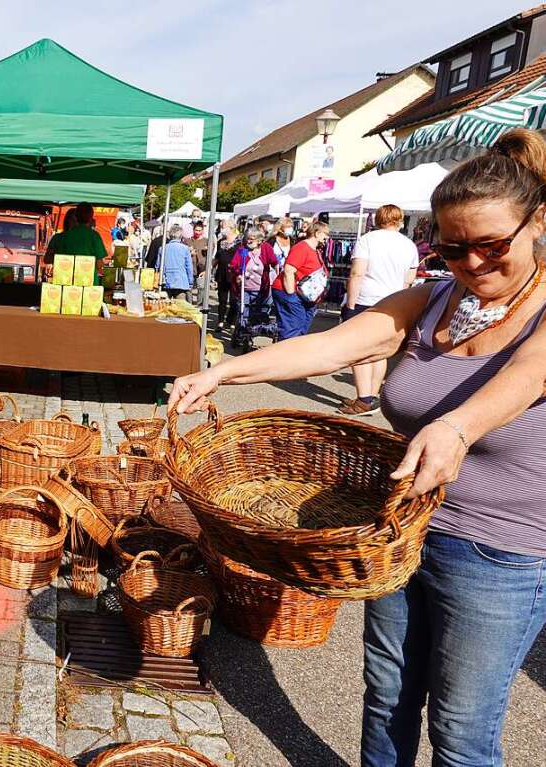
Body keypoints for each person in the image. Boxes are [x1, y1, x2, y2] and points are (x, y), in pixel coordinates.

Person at [169, 127, 546, 767]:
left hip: (501, 553)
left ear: (537, 223)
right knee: (388, 696)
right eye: (453, 249)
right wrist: (221, 373)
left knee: (461, 733)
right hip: (395, 528)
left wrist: (456, 428)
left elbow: (527, 376)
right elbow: (333, 345)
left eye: (491, 246)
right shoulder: (433, 299)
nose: (472, 264)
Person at [338, 204, 419, 416]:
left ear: (378, 219)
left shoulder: (367, 240)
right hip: (394, 300)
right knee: (379, 350)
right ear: (399, 220)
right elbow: (409, 280)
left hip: (367, 299)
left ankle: (364, 398)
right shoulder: (409, 244)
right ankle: (371, 396)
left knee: (359, 351)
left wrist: (350, 305)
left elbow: (357, 273)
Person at [271, 220, 330, 338]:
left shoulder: (315, 250)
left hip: (304, 297)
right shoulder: (302, 247)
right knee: (292, 330)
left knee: (301, 329)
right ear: (317, 233)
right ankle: (285, 354)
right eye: (325, 234)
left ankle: (293, 352)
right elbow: (289, 270)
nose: (327, 237)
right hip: (289, 292)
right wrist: (291, 295)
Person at [229, 227, 278, 324]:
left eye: (252, 239)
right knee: (243, 311)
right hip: (245, 288)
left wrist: (276, 276)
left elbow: (274, 262)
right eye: (247, 238)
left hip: (261, 288)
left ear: (259, 240)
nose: (249, 241)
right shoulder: (242, 249)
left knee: (258, 312)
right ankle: (242, 333)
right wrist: (238, 275)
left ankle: (253, 330)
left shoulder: (266, 248)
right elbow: (234, 264)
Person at [214, 221, 240, 329]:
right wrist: (208, 269)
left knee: (234, 300)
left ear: (231, 228)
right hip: (222, 274)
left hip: (234, 275)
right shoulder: (221, 241)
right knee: (222, 300)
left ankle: (232, 321)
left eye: (223, 227)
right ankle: (220, 322)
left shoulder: (239, 242)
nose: (222, 229)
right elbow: (217, 258)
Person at [160, 223, 195, 300]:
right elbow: (189, 266)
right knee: (180, 307)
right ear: (181, 236)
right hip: (181, 281)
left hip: (166, 281)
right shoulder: (185, 249)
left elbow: (158, 266)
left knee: (166, 307)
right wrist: (190, 281)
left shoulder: (162, 248)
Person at [43, 208, 78, 279]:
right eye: (73, 220)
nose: (74, 223)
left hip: (74, 279)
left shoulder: (57, 238)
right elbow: (46, 259)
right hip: (61, 278)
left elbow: (47, 259)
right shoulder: (57, 238)